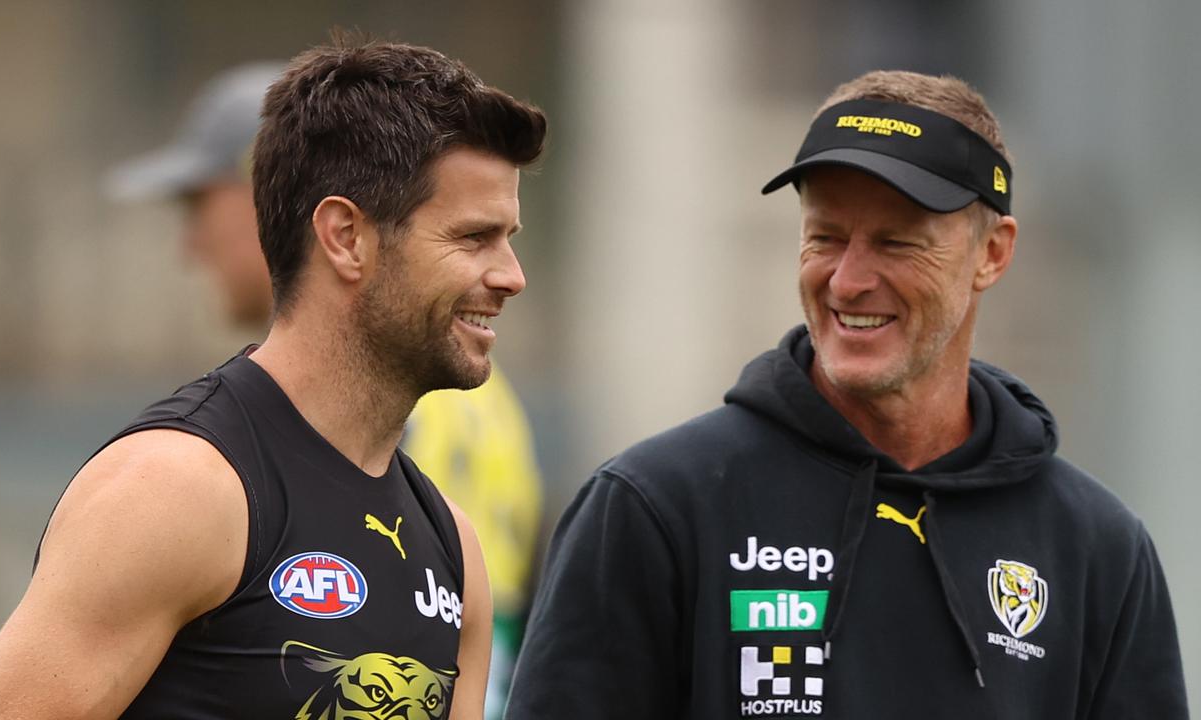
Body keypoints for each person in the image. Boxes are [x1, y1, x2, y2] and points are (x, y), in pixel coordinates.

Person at [506, 70, 1187, 719]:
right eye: (825, 238)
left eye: (896, 243)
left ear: (993, 253)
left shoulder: (1097, 548)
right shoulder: (655, 508)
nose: (848, 281)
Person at [0, 34, 547, 720]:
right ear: (346, 236)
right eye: (473, 238)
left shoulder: (454, 550)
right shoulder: (174, 491)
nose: (512, 277)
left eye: (508, 239)